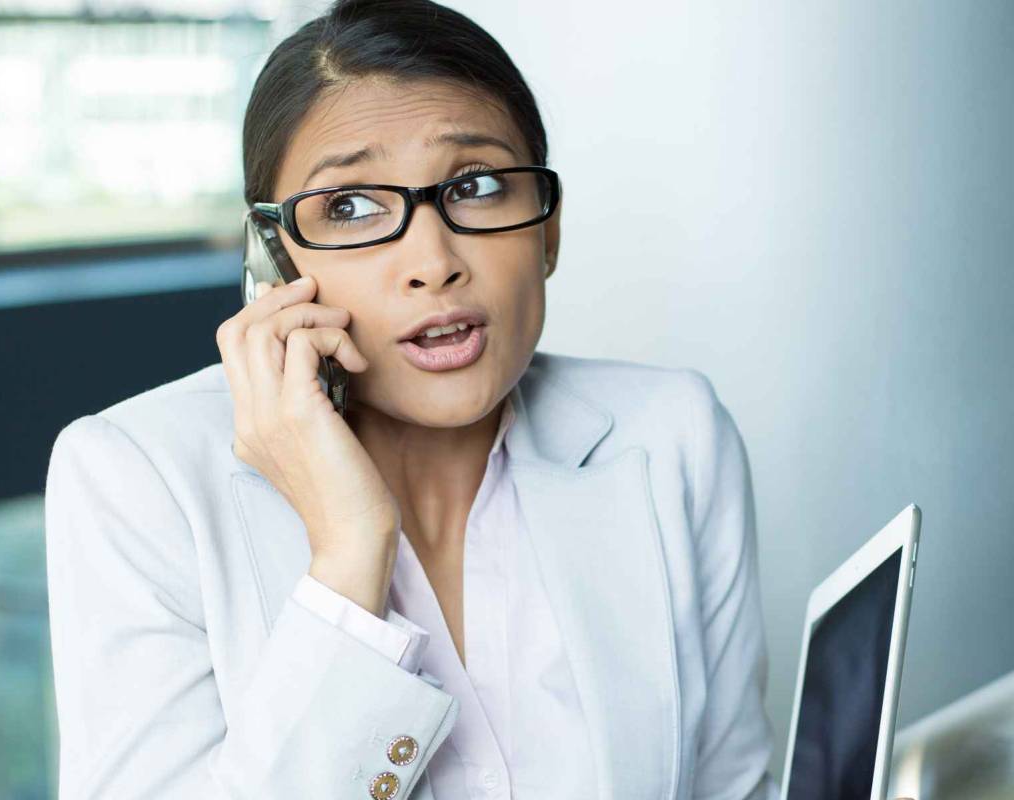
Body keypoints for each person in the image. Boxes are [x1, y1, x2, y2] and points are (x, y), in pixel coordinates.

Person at [40, 1, 775, 797]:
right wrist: (349, 557)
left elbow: (734, 786)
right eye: (351, 206)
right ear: (274, 263)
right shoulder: (136, 481)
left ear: (548, 231)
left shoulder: (671, 439)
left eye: (479, 185)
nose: (432, 261)